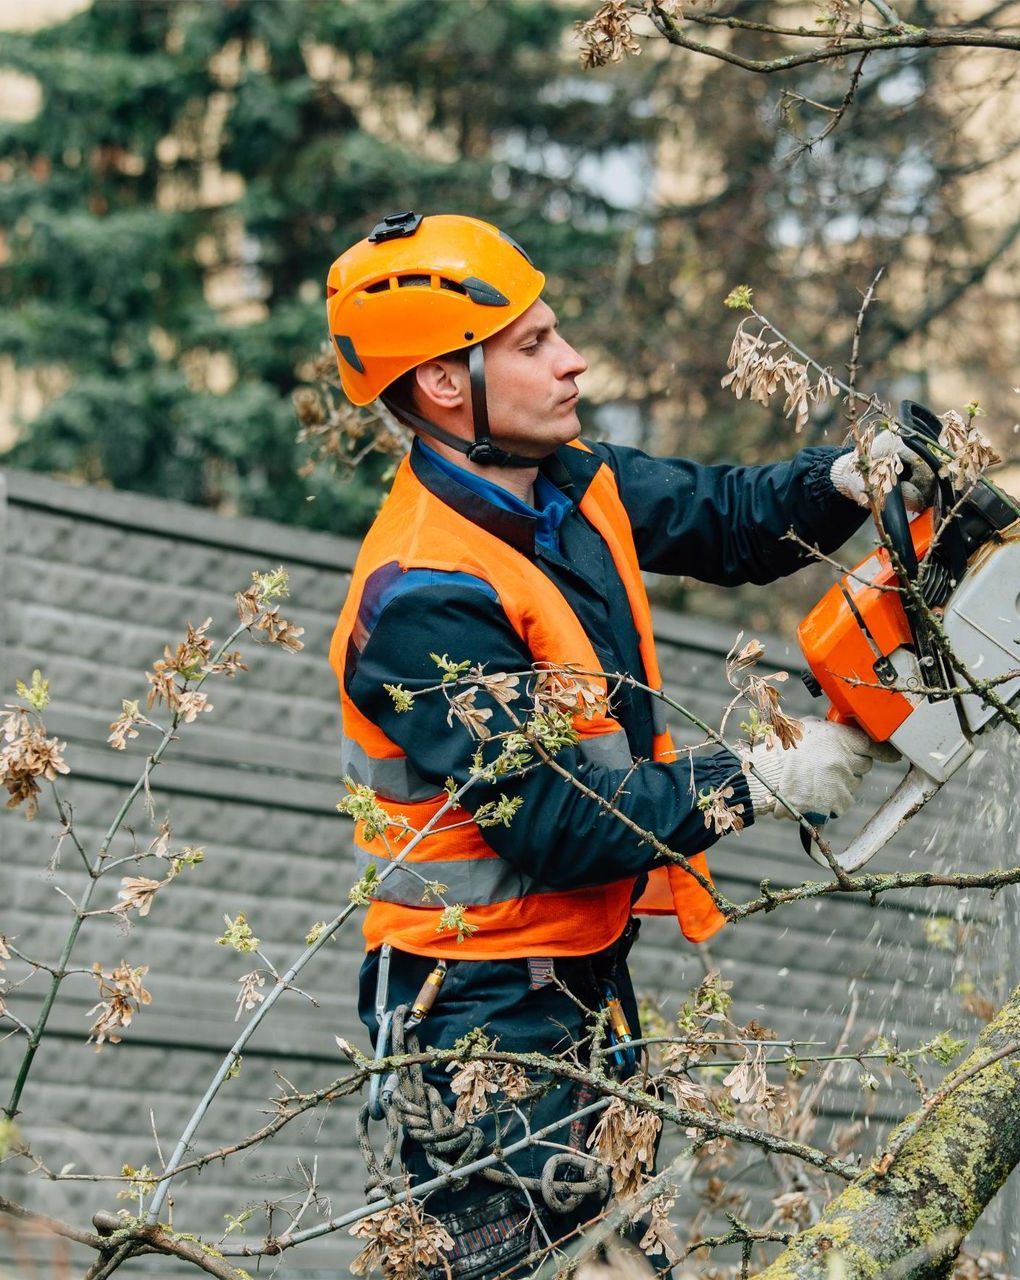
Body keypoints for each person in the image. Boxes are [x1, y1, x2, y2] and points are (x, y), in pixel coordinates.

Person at [324, 212, 909, 1279]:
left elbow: (725, 515)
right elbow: (551, 817)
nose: (571, 358)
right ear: (448, 385)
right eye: (533, 343)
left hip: (582, 982)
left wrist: (849, 480)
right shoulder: (421, 597)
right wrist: (767, 776)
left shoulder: (566, 485)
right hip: (476, 1016)